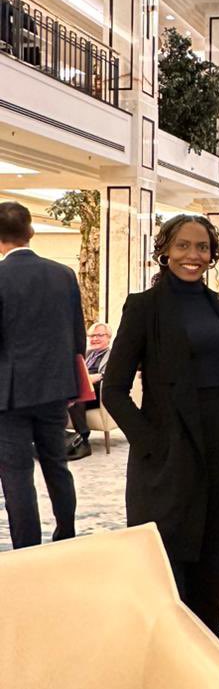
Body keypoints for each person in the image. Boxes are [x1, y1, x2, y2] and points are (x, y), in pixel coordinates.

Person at [103, 215, 219, 638]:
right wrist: (152, 443)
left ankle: (206, 653)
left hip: (218, 440)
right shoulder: (144, 306)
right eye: (183, 245)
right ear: (165, 250)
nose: (193, 256)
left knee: (212, 555)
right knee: (166, 558)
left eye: (202, 247)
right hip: (168, 445)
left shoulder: (218, 304)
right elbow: (113, 389)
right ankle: (166, 655)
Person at [0, 202, 85, 549]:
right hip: (55, 387)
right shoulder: (63, 274)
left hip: (9, 393)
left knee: (17, 474)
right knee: (57, 465)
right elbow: (78, 337)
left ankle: (27, 548)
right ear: (31, 232)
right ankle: (66, 534)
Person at [66, 322, 113, 460]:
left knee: (76, 397)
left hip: (99, 392)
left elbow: (111, 374)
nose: (95, 339)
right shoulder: (87, 354)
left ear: (108, 338)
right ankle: (61, 438)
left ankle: (83, 440)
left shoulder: (113, 354)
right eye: (92, 336)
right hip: (83, 387)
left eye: (100, 335)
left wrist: (96, 377)